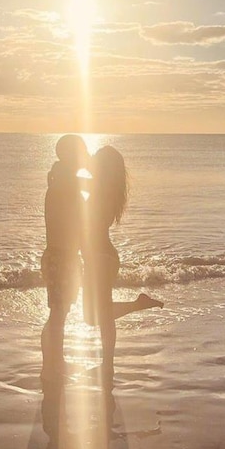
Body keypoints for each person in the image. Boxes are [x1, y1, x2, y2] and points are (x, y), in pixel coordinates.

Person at [82, 145, 163, 386]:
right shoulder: (108, 190)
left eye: (96, 161)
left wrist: (64, 174)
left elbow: (78, 186)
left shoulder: (100, 192)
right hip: (102, 257)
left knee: (92, 317)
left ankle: (138, 305)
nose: (91, 163)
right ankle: (108, 362)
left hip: (100, 258)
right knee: (103, 315)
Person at [40, 134, 89, 381]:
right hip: (61, 257)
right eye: (82, 151)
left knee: (60, 312)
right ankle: (54, 364)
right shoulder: (65, 184)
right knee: (59, 313)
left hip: (61, 256)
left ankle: (52, 363)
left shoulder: (61, 180)